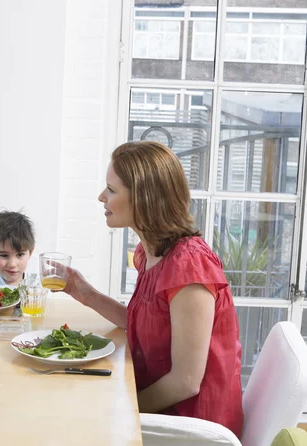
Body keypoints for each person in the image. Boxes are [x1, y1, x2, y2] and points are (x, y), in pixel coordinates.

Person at [61, 141, 243, 436]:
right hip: (158, 408)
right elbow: (146, 323)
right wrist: (87, 295)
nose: (101, 197)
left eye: (112, 190)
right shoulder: (152, 253)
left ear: (144, 199)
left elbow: (186, 381)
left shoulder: (189, 267)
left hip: (191, 428)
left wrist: (119, 409)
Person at [0, 211, 35, 288]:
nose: (12, 264)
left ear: (30, 252)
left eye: (20, 254)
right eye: (4, 255)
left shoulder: (40, 284)